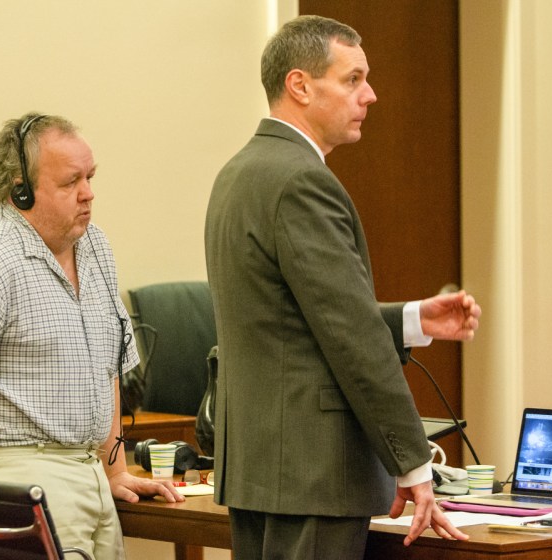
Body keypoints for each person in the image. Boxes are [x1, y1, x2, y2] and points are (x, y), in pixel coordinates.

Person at [204, 15, 481, 559]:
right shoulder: (303, 180)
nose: (371, 95)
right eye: (353, 79)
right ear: (301, 86)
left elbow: (291, 317)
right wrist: (413, 460)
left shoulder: (239, 172)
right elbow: (350, 337)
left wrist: (410, 319)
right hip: (314, 472)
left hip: (263, 466)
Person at [0, 112, 183, 559]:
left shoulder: (95, 247)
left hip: (89, 476)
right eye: (70, 182)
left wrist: (116, 470)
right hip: (18, 479)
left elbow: (105, 371)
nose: (88, 193)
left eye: (90, 176)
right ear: (20, 189)